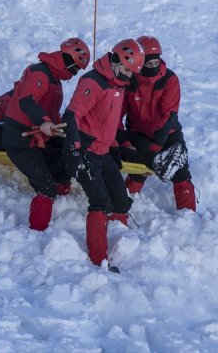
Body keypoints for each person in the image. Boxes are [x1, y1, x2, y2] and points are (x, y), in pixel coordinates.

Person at [61, 39, 144, 271]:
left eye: (132, 72)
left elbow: (110, 121)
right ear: (117, 60)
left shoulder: (119, 85)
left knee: (120, 199)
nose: (129, 76)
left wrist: (116, 146)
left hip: (104, 151)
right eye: (128, 69)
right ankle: (99, 260)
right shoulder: (93, 82)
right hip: (85, 151)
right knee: (100, 201)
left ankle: (120, 245)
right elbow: (71, 116)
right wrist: (74, 148)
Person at [2, 38, 91, 231]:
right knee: (46, 187)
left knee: (64, 162)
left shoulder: (54, 79)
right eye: (74, 68)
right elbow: (27, 101)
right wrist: (43, 121)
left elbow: (49, 111)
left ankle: (60, 199)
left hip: (38, 136)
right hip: (20, 137)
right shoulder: (39, 72)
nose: (73, 73)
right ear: (66, 58)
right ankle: (37, 231)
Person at [118, 36, 196, 211]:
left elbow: (169, 117)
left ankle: (189, 217)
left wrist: (153, 153)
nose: (153, 67)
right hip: (139, 133)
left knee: (181, 172)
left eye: (156, 62)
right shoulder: (129, 79)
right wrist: (126, 143)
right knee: (139, 170)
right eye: (148, 63)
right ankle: (122, 207)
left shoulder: (169, 79)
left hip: (168, 134)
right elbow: (116, 116)